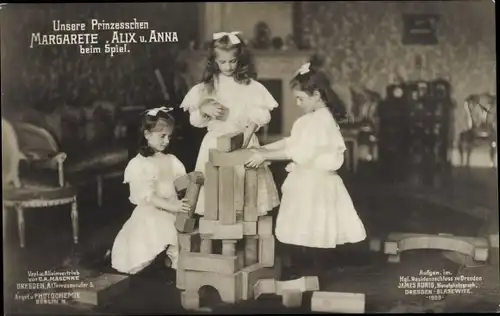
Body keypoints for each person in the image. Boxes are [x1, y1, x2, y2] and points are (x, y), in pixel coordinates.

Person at [245, 63, 367, 275]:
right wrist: (262, 148)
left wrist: (264, 156)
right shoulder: (310, 119)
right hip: (306, 180)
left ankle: (314, 272)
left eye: (301, 98)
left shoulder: (322, 121)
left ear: (316, 95)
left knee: (315, 227)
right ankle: (303, 268)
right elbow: (290, 142)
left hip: (316, 182)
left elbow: (298, 152)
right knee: (303, 224)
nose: (298, 103)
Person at [180, 31, 280, 217]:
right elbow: (195, 120)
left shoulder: (250, 86)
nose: (228, 66)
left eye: (232, 61)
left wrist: (247, 135)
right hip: (215, 144)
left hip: (243, 139)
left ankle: (243, 233)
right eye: (222, 62)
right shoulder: (207, 87)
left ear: (240, 59)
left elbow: (260, 114)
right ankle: (222, 231)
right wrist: (204, 110)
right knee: (218, 193)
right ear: (214, 61)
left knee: (246, 191)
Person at [111, 106, 191, 275]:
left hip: (170, 208)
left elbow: (183, 183)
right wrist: (174, 207)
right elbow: (149, 197)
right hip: (152, 211)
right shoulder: (139, 164)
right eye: (162, 136)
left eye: (169, 137)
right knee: (159, 231)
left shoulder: (171, 160)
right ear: (147, 135)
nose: (166, 141)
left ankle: (176, 266)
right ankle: (162, 265)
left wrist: (185, 196)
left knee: (179, 234)